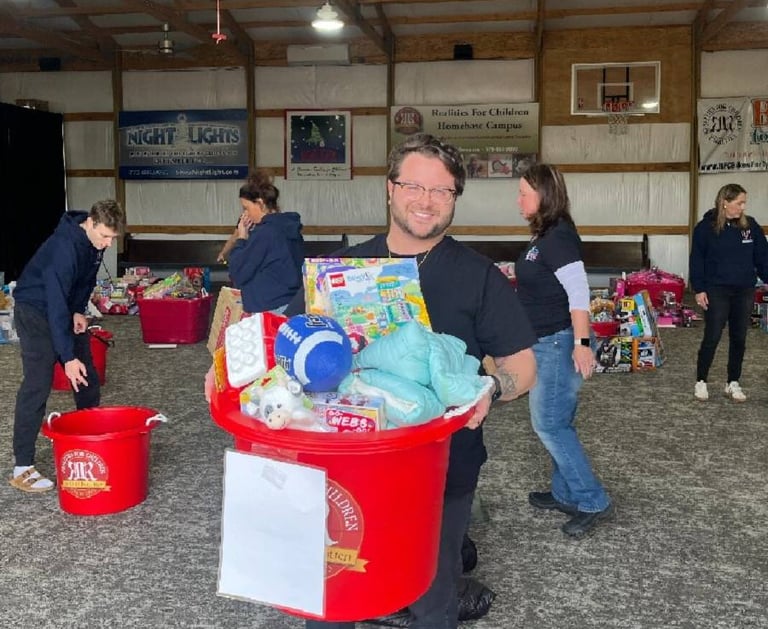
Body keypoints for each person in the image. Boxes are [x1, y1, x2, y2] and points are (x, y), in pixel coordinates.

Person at [284, 133, 538, 629]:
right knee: (333, 589)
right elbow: (284, 338)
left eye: (442, 190)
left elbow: (524, 364)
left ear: (455, 198)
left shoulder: (478, 276)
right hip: (346, 464)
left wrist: (491, 388)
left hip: (441, 469)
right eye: (413, 186)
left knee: (432, 594)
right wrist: (233, 364)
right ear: (389, 188)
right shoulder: (340, 270)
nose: (426, 201)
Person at [514, 163, 613, 538]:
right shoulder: (544, 234)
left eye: (524, 193)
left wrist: (582, 344)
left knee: (550, 425)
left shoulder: (558, 237)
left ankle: (591, 498)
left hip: (558, 342)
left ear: (544, 196)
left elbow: (579, 294)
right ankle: (564, 492)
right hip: (545, 340)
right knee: (558, 421)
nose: (518, 200)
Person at [9, 199, 125, 493]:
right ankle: (22, 467)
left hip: (62, 308)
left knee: (87, 378)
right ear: (91, 223)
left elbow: (85, 281)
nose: (108, 244)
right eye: (105, 236)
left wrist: (78, 310)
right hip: (35, 310)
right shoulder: (64, 247)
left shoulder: (94, 243)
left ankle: (91, 439)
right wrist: (67, 356)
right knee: (38, 383)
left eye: (113, 238)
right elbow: (55, 303)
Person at [689, 183, 768, 403]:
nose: (743, 207)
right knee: (712, 336)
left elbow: (763, 258)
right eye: (739, 203)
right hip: (717, 290)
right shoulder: (705, 228)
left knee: (739, 338)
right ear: (725, 202)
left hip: (744, 290)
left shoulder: (750, 226)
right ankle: (701, 381)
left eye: (744, 203)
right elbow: (697, 260)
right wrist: (699, 288)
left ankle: (733, 382)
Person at [226, 170, 304, 314]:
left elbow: (238, 271)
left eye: (246, 208)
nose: (245, 214)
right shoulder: (288, 227)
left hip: (270, 306)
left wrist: (242, 237)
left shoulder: (265, 233)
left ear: (260, 203)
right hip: (290, 302)